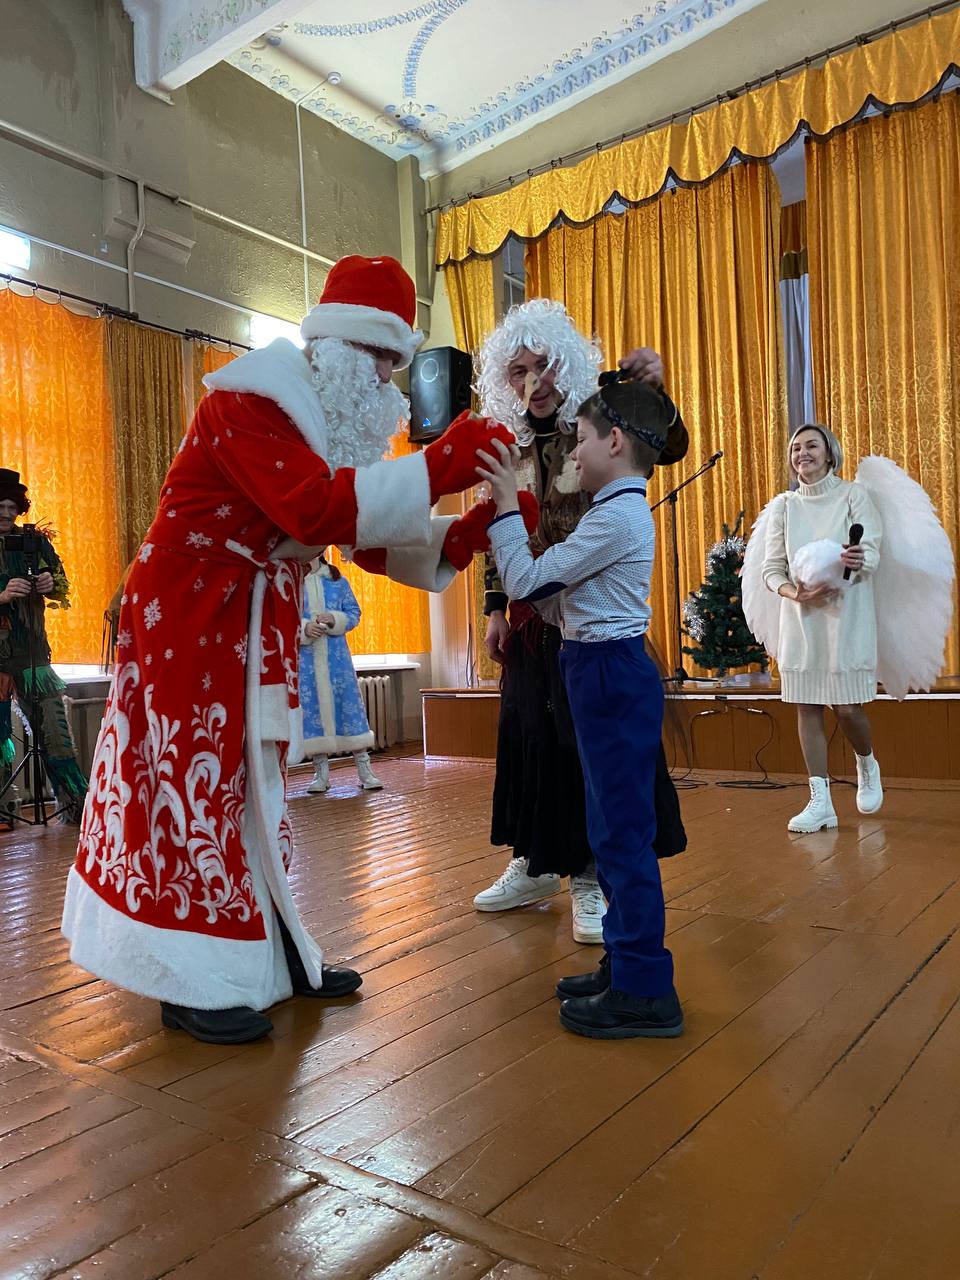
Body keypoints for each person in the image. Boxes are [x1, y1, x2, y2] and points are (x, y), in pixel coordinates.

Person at [61, 254, 513, 1045]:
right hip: (190, 610)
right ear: (336, 344)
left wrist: (459, 533)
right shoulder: (252, 397)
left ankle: (269, 952)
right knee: (193, 787)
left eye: (396, 364)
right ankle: (185, 974)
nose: (386, 381)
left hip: (246, 613)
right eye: (379, 358)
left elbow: (355, 532)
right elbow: (315, 509)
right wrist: (438, 465)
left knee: (258, 784)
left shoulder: (324, 417)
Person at [471, 299, 688, 943]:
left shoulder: (597, 422)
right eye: (517, 371)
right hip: (530, 618)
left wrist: (654, 387)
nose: (532, 382)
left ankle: (592, 876)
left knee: (585, 751)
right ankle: (536, 863)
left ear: (564, 364)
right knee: (530, 739)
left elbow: (666, 445)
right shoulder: (505, 444)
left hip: (588, 622)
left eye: (542, 366)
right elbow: (491, 526)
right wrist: (493, 606)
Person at [759, 424, 882, 832]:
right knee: (807, 706)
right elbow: (771, 569)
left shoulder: (854, 496)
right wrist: (795, 594)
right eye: (795, 447)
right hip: (801, 618)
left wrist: (857, 559)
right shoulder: (785, 506)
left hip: (846, 618)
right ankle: (820, 801)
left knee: (847, 707)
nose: (802, 453)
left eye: (811, 445)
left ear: (830, 453)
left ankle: (866, 762)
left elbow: (872, 553)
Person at [0, 470, 86, 824]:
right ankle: (4, 810)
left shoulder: (35, 542)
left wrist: (51, 583)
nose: (5, 514)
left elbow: (63, 584)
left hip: (34, 654)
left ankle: (76, 807)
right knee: (0, 738)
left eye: (10, 507)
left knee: (56, 734)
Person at [300, 553, 383, 794]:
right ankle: (320, 774)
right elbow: (281, 618)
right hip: (307, 663)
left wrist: (334, 619)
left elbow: (354, 613)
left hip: (337, 660)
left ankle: (365, 770)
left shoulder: (337, 581)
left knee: (349, 709)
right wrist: (304, 627)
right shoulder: (293, 581)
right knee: (312, 712)